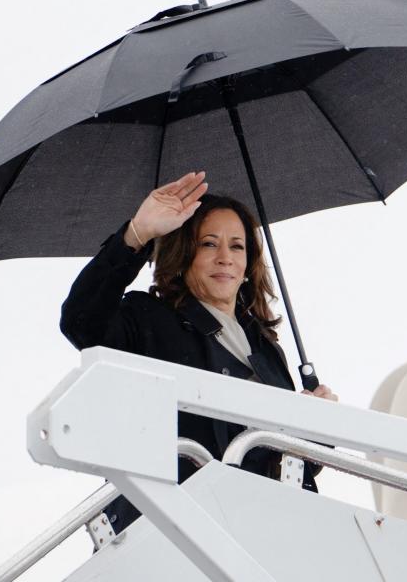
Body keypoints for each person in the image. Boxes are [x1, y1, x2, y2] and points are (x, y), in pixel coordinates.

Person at [61, 171, 337, 532]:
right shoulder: (151, 320)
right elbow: (82, 322)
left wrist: (314, 424)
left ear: (248, 263)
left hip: (271, 529)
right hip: (184, 527)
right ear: (184, 254)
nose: (225, 257)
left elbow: (287, 461)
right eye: (209, 244)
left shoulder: (266, 347)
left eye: (237, 246)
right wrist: (138, 233)